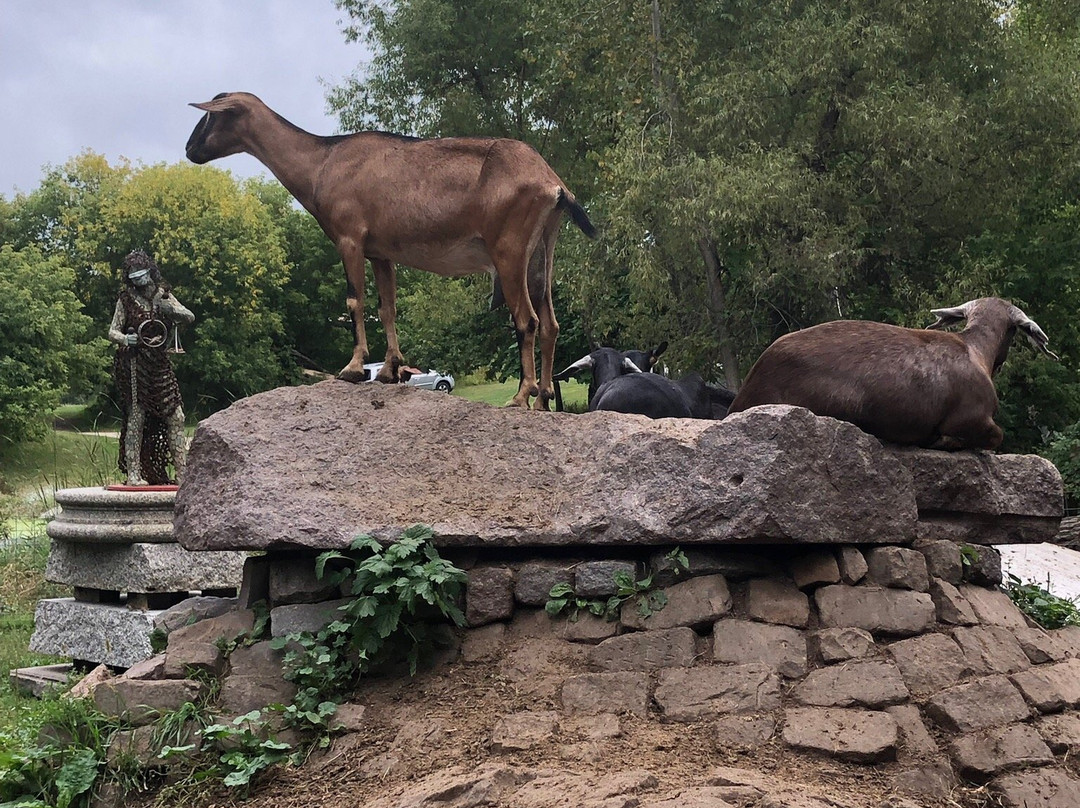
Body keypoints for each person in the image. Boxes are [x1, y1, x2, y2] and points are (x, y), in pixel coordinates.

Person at [107, 250, 195, 486]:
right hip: (135, 364)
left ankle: (183, 473)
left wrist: (172, 311)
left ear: (150, 272)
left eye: (142, 275)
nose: (139, 280)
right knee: (137, 416)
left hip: (159, 363)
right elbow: (112, 331)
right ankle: (134, 474)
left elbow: (188, 316)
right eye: (134, 277)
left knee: (176, 415)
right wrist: (126, 339)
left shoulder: (163, 295)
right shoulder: (126, 299)